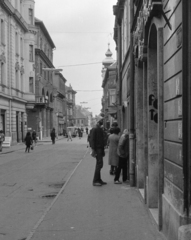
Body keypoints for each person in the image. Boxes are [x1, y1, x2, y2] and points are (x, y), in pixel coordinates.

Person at [91, 119, 107, 186]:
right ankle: (95, 180)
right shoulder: (96, 129)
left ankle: (99, 179)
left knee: (99, 164)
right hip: (98, 148)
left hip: (100, 148)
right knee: (99, 164)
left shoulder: (99, 130)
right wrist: (93, 149)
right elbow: (92, 140)